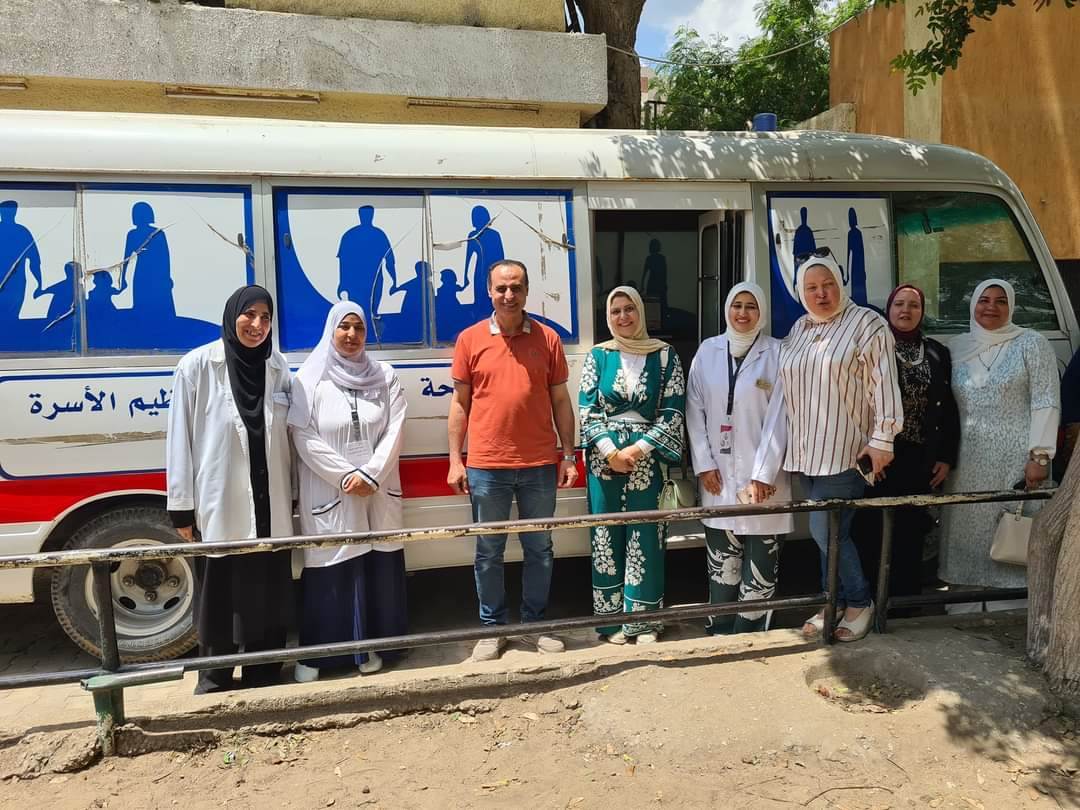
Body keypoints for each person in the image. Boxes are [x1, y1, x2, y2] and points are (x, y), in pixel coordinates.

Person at [447, 259, 578, 661]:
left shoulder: (548, 339)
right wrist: (455, 460)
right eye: (501, 288)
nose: (509, 295)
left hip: (539, 464)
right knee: (489, 551)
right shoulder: (469, 340)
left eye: (516, 287)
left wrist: (568, 455)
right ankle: (493, 630)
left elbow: (560, 401)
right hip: (487, 466)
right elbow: (460, 404)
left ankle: (535, 626)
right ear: (489, 291)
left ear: (526, 292)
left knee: (539, 548)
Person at [166, 285, 294, 693]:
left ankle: (264, 674)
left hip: (270, 497)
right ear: (231, 315)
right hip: (221, 500)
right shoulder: (197, 366)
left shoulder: (277, 365)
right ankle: (215, 678)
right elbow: (179, 439)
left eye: (265, 317)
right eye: (249, 315)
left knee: (267, 591)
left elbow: (289, 436)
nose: (257, 325)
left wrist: (293, 494)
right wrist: (181, 506)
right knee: (221, 592)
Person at [777, 249, 902, 642]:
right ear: (801, 292)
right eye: (811, 287)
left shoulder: (867, 323)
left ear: (840, 283)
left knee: (826, 531)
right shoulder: (799, 328)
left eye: (828, 284)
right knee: (827, 535)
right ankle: (832, 601)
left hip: (847, 451)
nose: (821, 293)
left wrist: (883, 439)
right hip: (806, 453)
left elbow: (884, 384)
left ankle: (860, 602)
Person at [288, 301, 408, 682]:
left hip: (377, 488)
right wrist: (345, 476)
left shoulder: (384, 376)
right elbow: (302, 436)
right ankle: (320, 658)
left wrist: (370, 475)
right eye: (344, 327)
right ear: (331, 331)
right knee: (333, 566)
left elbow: (395, 428)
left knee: (378, 566)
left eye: (359, 327)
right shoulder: (310, 380)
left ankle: (373, 647)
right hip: (329, 489)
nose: (352, 335)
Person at [940, 279, 1060, 608]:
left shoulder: (1031, 343)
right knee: (967, 532)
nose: (991, 307)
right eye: (984, 300)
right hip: (967, 461)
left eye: (1000, 301)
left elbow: (1046, 400)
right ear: (972, 305)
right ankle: (963, 607)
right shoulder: (956, 347)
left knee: (1012, 529)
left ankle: (1012, 606)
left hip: (1017, 460)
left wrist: (1040, 456)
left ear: (1012, 307)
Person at [579, 285, 685, 644]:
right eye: (616, 311)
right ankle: (611, 623)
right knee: (606, 537)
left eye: (629, 309)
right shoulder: (598, 355)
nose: (623, 316)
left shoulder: (664, 355)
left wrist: (637, 451)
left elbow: (672, 411)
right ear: (608, 317)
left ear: (640, 312)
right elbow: (587, 409)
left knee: (645, 537)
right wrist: (612, 453)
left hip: (647, 459)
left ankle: (643, 622)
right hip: (604, 461)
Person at [686, 282, 790, 634]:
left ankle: (750, 634)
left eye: (751, 306)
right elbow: (694, 410)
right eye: (737, 305)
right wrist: (704, 464)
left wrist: (763, 474)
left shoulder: (778, 353)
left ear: (762, 312)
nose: (743, 313)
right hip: (717, 473)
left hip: (766, 479)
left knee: (761, 564)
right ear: (727, 309)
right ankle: (720, 630)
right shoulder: (708, 350)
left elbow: (781, 418)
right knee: (722, 563)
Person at [854, 284, 960, 601]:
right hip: (881, 456)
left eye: (913, 305)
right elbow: (858, 404)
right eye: (899, 304)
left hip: (919, 458)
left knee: (911, 530)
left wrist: (945, 456)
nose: (905, 310)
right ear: (888, 310)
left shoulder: (937, 352)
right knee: (871, 530)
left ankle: (905, 604)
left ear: (922, 312)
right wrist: (869, 454)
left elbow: (948, 407)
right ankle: (870, 604)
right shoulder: (873, 347)